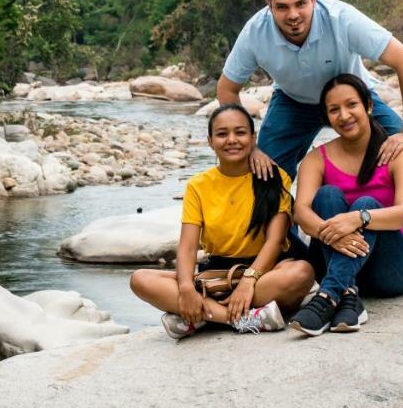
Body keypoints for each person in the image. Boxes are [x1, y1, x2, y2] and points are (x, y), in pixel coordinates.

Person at [216, 0, 403, 288]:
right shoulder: (255, 33)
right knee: (264, 174)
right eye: (282, 7)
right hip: (293, 102)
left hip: (349, 97)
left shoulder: (342, 19)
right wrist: (251, 147)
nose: (293, 14)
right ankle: (289, 257)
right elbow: (227, 88)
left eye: (301, 3)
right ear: (269, 5)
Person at [130, 104, 315, 339]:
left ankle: (199, 315)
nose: (231, 140)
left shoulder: (274, 177)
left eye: (240, 132)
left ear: (253, 138)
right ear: (210, 141)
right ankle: (240, 318)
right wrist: (187, 287)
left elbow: (275, 240)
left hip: (263, 271)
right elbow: (187, 245)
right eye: (222, 134)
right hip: (217, 274)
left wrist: (249, 281)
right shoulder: (198, 185)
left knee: (301, 273)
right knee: (140, 280)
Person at [287, 73, 403, 336]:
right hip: (336, 257)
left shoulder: (399, 154)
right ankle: (348, 294)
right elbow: (301, 212)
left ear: (368, 106)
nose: (344, 115)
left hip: (394, 266)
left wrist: (359, 218)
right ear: (327, 118)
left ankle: (328, 295)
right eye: (334, 110)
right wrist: (335, 237)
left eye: (351, 105)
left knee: (366, 203)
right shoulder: (317, 158)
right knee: (326, 196)